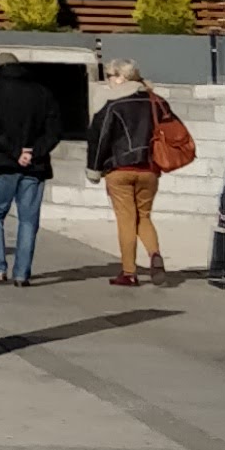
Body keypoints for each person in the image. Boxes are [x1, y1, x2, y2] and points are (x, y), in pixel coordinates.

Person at [85, 55, 177, 289]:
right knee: (143, 216)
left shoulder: (112, 104)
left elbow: (99, 137)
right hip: (149, 168)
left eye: (110, 75)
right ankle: (155, 254)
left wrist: (94, 169)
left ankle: (129, 272)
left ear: (122, 77)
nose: (108, 80)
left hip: (119, 169)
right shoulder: (156, 101)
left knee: (126, 220)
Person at [0, 46, 58, 286]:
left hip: (2, 163)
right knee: (28, 220)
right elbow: (54, 131)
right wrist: (33, 152)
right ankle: (22, 274)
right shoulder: (42, 91)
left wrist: (14, 152)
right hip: (35, 165)